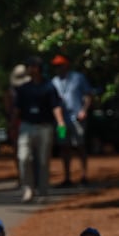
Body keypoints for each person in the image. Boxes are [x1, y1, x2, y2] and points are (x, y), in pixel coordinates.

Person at [9, 57, 65, 203]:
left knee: (43, 160)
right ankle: (28, 188)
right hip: (26, 126)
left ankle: (43, 191)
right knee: (23, 157)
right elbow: (17, 109)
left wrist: (60, 123)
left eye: (31, 66)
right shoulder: (23, 89)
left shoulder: (49, 87)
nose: (29, 69)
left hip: (44, 126)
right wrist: (13, 125)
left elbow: (55, 106)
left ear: (37, 68)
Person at [49, 54, 94, 186]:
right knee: (63, 146)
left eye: (60, 65)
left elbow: (88, 95)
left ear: (66, 65)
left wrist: (84, 110)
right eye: (56, 66)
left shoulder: (78, 78)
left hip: (77, 118)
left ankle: (84, 175)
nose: (58, 68)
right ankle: (67, 177)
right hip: (61, 121)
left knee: (80, 145)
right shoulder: (54, 82)